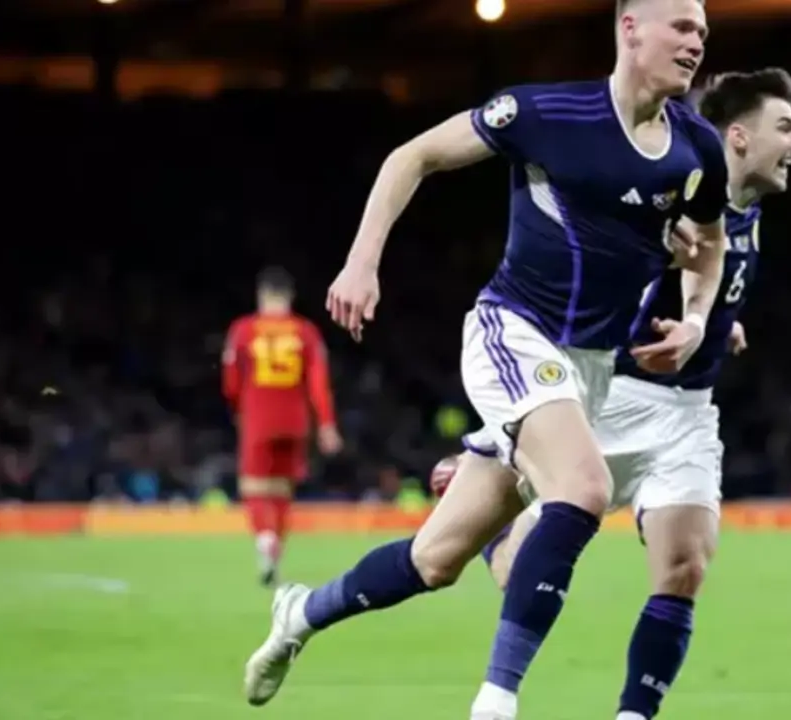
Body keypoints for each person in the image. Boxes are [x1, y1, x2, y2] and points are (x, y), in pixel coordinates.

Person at [243, 1, 728, 717]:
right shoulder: (545, 113)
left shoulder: (697, 146)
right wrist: (361, 263)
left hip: (588, 370)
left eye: (703, 32)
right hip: (514, 332)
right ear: (630, 28)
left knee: (435, 560)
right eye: (682, 27)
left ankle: (302, 614)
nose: (697, 42)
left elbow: (712, 243)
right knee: (584, 488)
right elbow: (413, 156)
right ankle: (495, 703)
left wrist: (694, 319)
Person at [444, 67, 791, 720]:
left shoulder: (746, 211)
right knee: (518, 564)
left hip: (689, 410)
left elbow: (711, 281)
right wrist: (681, 314)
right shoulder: (677, 196)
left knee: (686, 565)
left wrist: (718, 323)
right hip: (620, 393)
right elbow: (618, 270)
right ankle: (496, 490)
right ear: (737, 137)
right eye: (786, 127)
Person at [221, 266, 342, 587]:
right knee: (283, 489)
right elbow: (318, 383)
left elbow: (230, 380)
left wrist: (238, 408)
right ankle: (275, 549)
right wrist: (327, 424)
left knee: (253, 487)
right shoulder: (306, 332)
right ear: (290, 296)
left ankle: (265, 538)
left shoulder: (244, 330)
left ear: (262, 295)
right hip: (295, 420)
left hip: (258, 417)